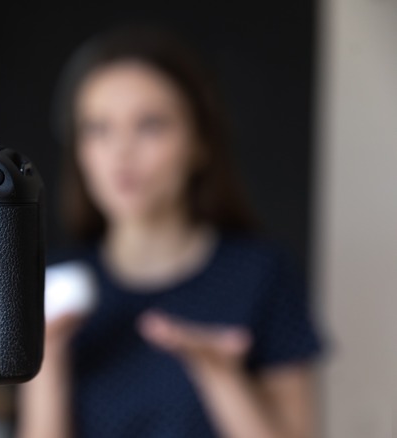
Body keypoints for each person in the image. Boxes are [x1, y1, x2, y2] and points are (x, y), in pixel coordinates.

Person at [17, 28, 322, 438]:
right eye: (98, 128)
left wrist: (219, 375)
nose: (121, 151)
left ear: (199, 142)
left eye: (150, 125)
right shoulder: (53, 287)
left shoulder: (263, 274)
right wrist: (48, 355)